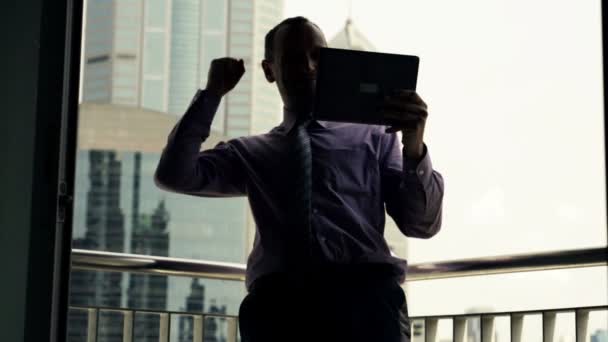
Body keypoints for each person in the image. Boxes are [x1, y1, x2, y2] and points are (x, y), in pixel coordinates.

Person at [155, 16, 444, 342]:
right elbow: (173, 174)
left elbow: (422, 224)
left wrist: (414, 146)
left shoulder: (375, 136)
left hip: (367, 305)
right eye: (293, 58)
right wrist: (211, 95)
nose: (308, 67)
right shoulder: (250, 152)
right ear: (269, 70)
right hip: (279, 311)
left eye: (318, 56)